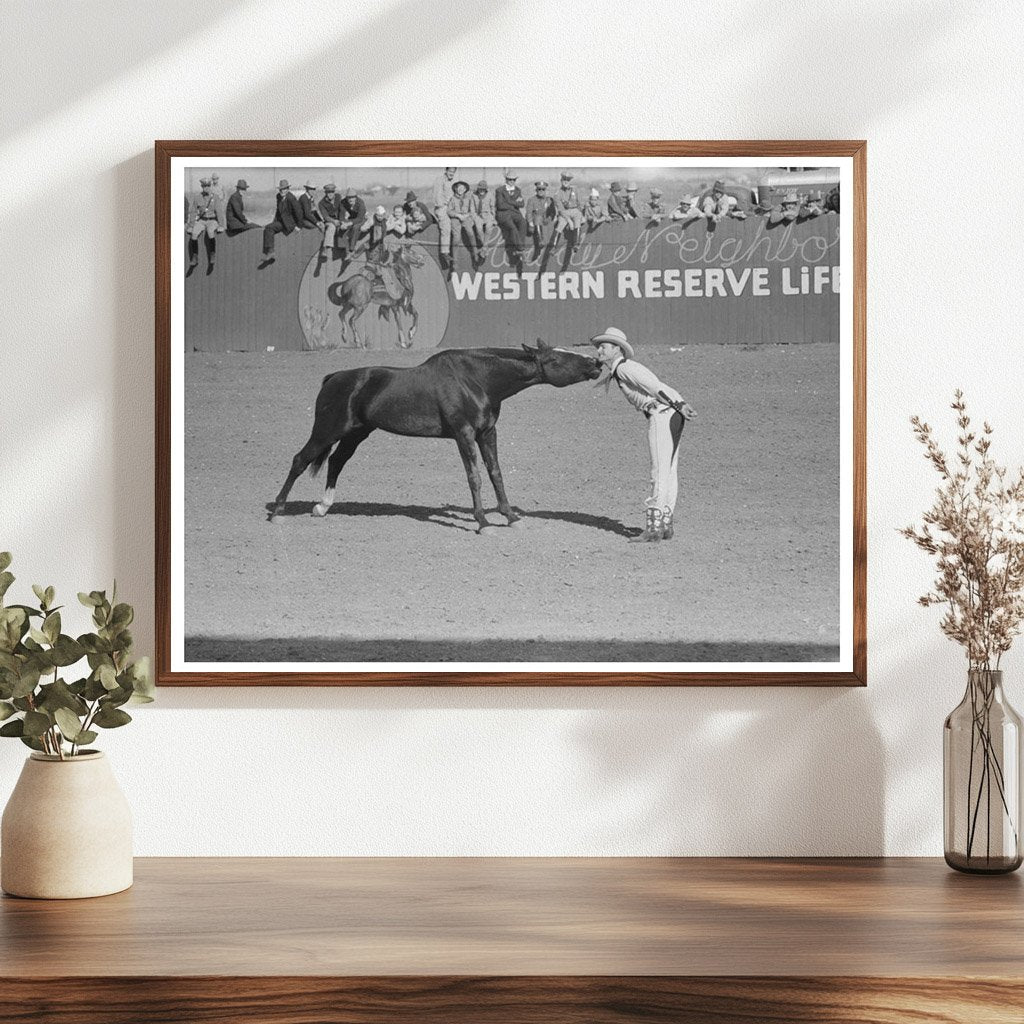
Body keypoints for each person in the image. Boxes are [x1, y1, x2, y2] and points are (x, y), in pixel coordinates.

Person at [585, 326, 696, 543]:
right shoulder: (623, 368)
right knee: (669, 470)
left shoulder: (625, 368)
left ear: (617, 349)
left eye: (604, 347)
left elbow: (655, 387)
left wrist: (679, 404)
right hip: (670, 414)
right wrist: (679, 404)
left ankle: (654, 528)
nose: (599, 351)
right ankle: (665, 523)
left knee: (659, 472)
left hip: (662, 415)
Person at [260, 179, 302, 266]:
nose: (282, 191)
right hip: (281, 221)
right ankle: (271, 252)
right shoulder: (278, 197)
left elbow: (299, 212)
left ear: (288, 189)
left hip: (290, 224)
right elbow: (278, 211)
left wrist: (298, 226)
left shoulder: (291, 198)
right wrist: (274, 222)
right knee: (269, 227)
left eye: (284, 189)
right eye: (281, 189)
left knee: (269, 228)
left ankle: (271, 252)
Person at [187, 177, 225, 269]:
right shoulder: (198, 197)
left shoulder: (215, 197)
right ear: (202, 187)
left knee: (210, 232)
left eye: (207, 186)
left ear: (210, 186)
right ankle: (195, 257)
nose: (206, 188)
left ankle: (212, 254)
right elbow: (193, 212)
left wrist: (221, 225)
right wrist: (191, 225)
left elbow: (219, 212)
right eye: (204, 186)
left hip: (212, 220)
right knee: (194, 234)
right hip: (202, 220)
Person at [495, 169, 527, 273]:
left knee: (523, 222)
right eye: (510, 179)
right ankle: (521, 249)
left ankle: (519, 248)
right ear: (506, 179)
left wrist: (508, 201)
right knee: (512, 227)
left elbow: (522, 204)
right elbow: (500, 205)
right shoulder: (500, 190)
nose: (512, 181)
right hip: (503, 214)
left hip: (514, 213)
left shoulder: (518, 190)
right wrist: (514, 203)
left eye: (513, 180)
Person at [447, 179, 479, 268]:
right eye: (459, 188)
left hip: (466, 217)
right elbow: (449, 211)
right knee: (456, 238)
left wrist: (466, 215)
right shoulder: (452, 199)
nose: (461, 189)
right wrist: (457, 215)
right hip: (456, 218)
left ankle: (475, 254)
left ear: (465, 190)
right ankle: (455, 261)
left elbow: (472, 210)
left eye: (463, 188)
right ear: (455, 189)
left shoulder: (468, 199)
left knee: (471, 233)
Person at [433, 166, 457, 271]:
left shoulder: (453, 182)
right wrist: (443, 205)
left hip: (451, 207)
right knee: (446, 227)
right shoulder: (440, 180)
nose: (451, 173)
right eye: (450, 171)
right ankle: (445, 252)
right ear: (446, 171)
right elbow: (437, 196)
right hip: (442, 207)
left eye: (453, 171)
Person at [553, 171, 584, 252]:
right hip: (564, 213)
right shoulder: (558, 193)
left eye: (568, 180)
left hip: (575, 210)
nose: (566, 182)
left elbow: (580, 203)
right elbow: (560, 209)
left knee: (577, 221)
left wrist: (581, 213)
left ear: (570, 181)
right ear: (561, 180)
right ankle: (554, 246)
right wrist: (569, 221)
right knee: (560, 225)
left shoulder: (575, 190)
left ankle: (576, 244)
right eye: (564, 179)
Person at [525, 180, 557, 257]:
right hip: (536, 221)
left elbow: (553, 212)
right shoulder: (532, 200)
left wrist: (549, 218)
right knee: (538, 217)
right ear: (536, 190)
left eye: (543, 189)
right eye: (539, 189)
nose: (541, 191)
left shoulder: (549, 200)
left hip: (546, 221)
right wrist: (530, 223)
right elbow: (528, 213)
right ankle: (540, 240)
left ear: (545, 190)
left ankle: (552, 247)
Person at [336, 187, 367, 264]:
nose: (350, 200)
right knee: (342, 229)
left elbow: (359, 218)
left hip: (361, 218)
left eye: (352, 198)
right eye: (349, 198)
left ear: (356, 197)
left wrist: (349, 223)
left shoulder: (360, 203)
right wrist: (343, 223)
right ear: (346, 198)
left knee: (355, 227)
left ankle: (351, 250)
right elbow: (341, 216)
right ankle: (346, 251)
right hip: (352, 218)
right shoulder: (343, 202)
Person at [469, 179, 495, 254]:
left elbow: (492, 207)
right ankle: (485, 247)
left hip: (488, 214)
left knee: (488, 228)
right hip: (478, 215)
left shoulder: (490, 195)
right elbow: (472, 208)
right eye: (480, 189)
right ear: (478, 189)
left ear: (486, 189)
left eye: (483, 189)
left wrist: (493, 217)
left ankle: (484, 248)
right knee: (479, 229)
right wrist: (475, 217)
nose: (482, 191)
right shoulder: (474, 195)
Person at [318, 182, 344, 252]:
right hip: (329, 221)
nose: (330, 194)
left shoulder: (338, 197)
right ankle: (326, 248)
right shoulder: (321, 203)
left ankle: (344, 248)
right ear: (325, 193)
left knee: (345, 226)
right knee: (331, 227)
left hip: (340, 219)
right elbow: (326, 216)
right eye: (328, 192)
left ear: (334, 192)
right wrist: (333, 221)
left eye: (332, 192)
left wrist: (341, 220)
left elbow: (342, 209)